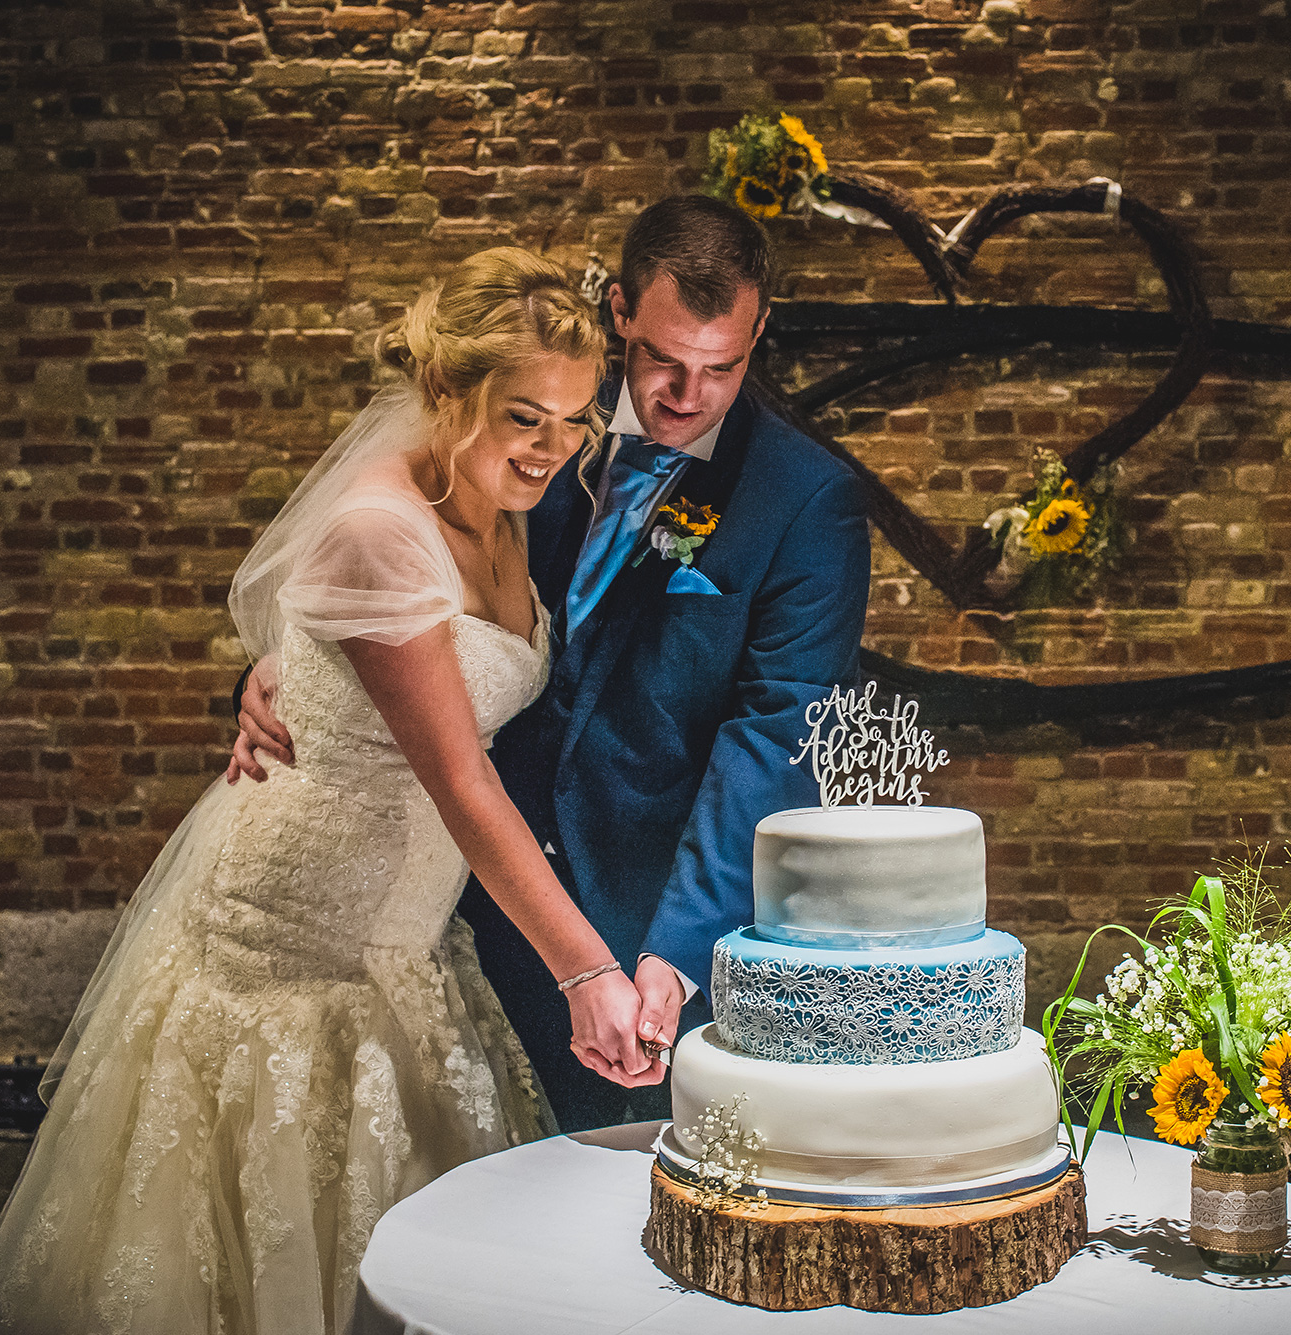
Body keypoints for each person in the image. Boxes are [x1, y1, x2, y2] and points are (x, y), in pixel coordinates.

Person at [0, 248, 657, 1334]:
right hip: (298, 939)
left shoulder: (506, 498)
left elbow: (392, 676)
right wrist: (587, 973)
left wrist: (286, 660)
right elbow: (461, 779)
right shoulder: (382, 530)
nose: (554, 449)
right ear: (443, 391)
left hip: (407, 929)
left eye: (575, 421)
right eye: (526, 417)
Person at [231, 195, 874, 1130]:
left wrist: (675, 952)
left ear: (758, 334)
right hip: (455, 913)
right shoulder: (527, 425)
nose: (684, 396)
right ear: (620, 311)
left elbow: (773, 740)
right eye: (660, 358)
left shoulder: (806, 501)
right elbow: (381, 580)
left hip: (642, 933)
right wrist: (280, 673)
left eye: (720, 367)